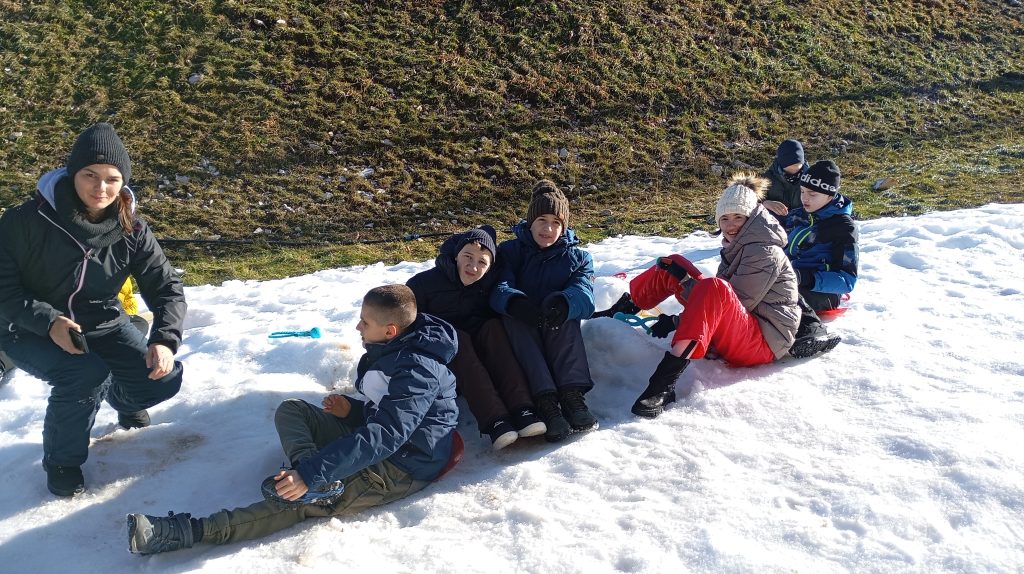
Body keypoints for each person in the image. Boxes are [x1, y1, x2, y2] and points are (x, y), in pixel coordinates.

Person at [127, 285, 460, 555]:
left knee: (296, 502)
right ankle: (318, 484)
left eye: (365, 323)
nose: (358, 327)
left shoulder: (418, 371)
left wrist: (310, 475)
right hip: (386, 440)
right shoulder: (394, 348)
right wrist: (353, 411)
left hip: (404, 464)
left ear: (389, 330)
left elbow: (388, 434)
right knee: (293, 410)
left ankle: (189, 531)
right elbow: (389, 412)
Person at [0, 123, 186, 497]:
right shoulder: (24, 221)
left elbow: (166, 287)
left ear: (123, 182)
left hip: (102, 321)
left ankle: (123, 398)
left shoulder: (132, 229)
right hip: (26, 326)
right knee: (85, 374)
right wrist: (49, 322)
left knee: (162, 378)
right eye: (90, 175)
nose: (101, 187)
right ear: (72, 174)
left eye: (112, 178)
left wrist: (165, 340)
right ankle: (62, 462)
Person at [607, 173, 800, 418]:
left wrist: (676, 321)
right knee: (673, 264)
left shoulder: (764, 251)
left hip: (764, 342)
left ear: (751, 217)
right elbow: (723, 302)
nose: (730, 225)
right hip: (742, 325)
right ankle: (626, 308)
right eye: (725, 218)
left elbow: (735, 300)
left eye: (738, 217)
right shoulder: (741, 244)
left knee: (713, 287)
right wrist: (683, 280)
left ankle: (664, 383)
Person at [407, 225, 546, 450]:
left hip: (481, 353)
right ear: (456, 255)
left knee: (493, 328)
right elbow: (408, 322)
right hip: (446, 362)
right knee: (457, 338)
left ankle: (523, 409)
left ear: (490, 267)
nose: (473, 267)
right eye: (467, 257)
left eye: (482, 262)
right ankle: (495, 420)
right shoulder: (423, 284)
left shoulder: (488, 284)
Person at [490, 179, 598, 442]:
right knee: (512, 319)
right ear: (530, 222)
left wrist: (565, 303)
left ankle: (572, 395)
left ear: (564, 226)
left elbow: (584, 292)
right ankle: (545, 400)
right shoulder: (510, 251)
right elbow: (499, 285)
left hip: (555, 323)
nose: (548, 229)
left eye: (556, 222)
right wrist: (514, 302)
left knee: (566, 312)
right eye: (541, 220)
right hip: (524, 322)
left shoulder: (579, 258)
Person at [778, 160, 857, 357]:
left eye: (812, 194)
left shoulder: (843, 227)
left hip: (822, 291)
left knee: (779, 295)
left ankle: (812, 333)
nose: (805, 198)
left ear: (830, 195)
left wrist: (806, 277)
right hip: (789, 278)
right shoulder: (799, 215)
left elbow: (847, 280)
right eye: (802, 191)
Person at [761, 139, 809, 216]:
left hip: (805, 220)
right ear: (781, 164)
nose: (793, 173)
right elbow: (751, 200)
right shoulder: (767, 178)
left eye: (798, 169)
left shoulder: (813, 179)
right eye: (789, 170)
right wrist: (765, 203)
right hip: (774, 220)